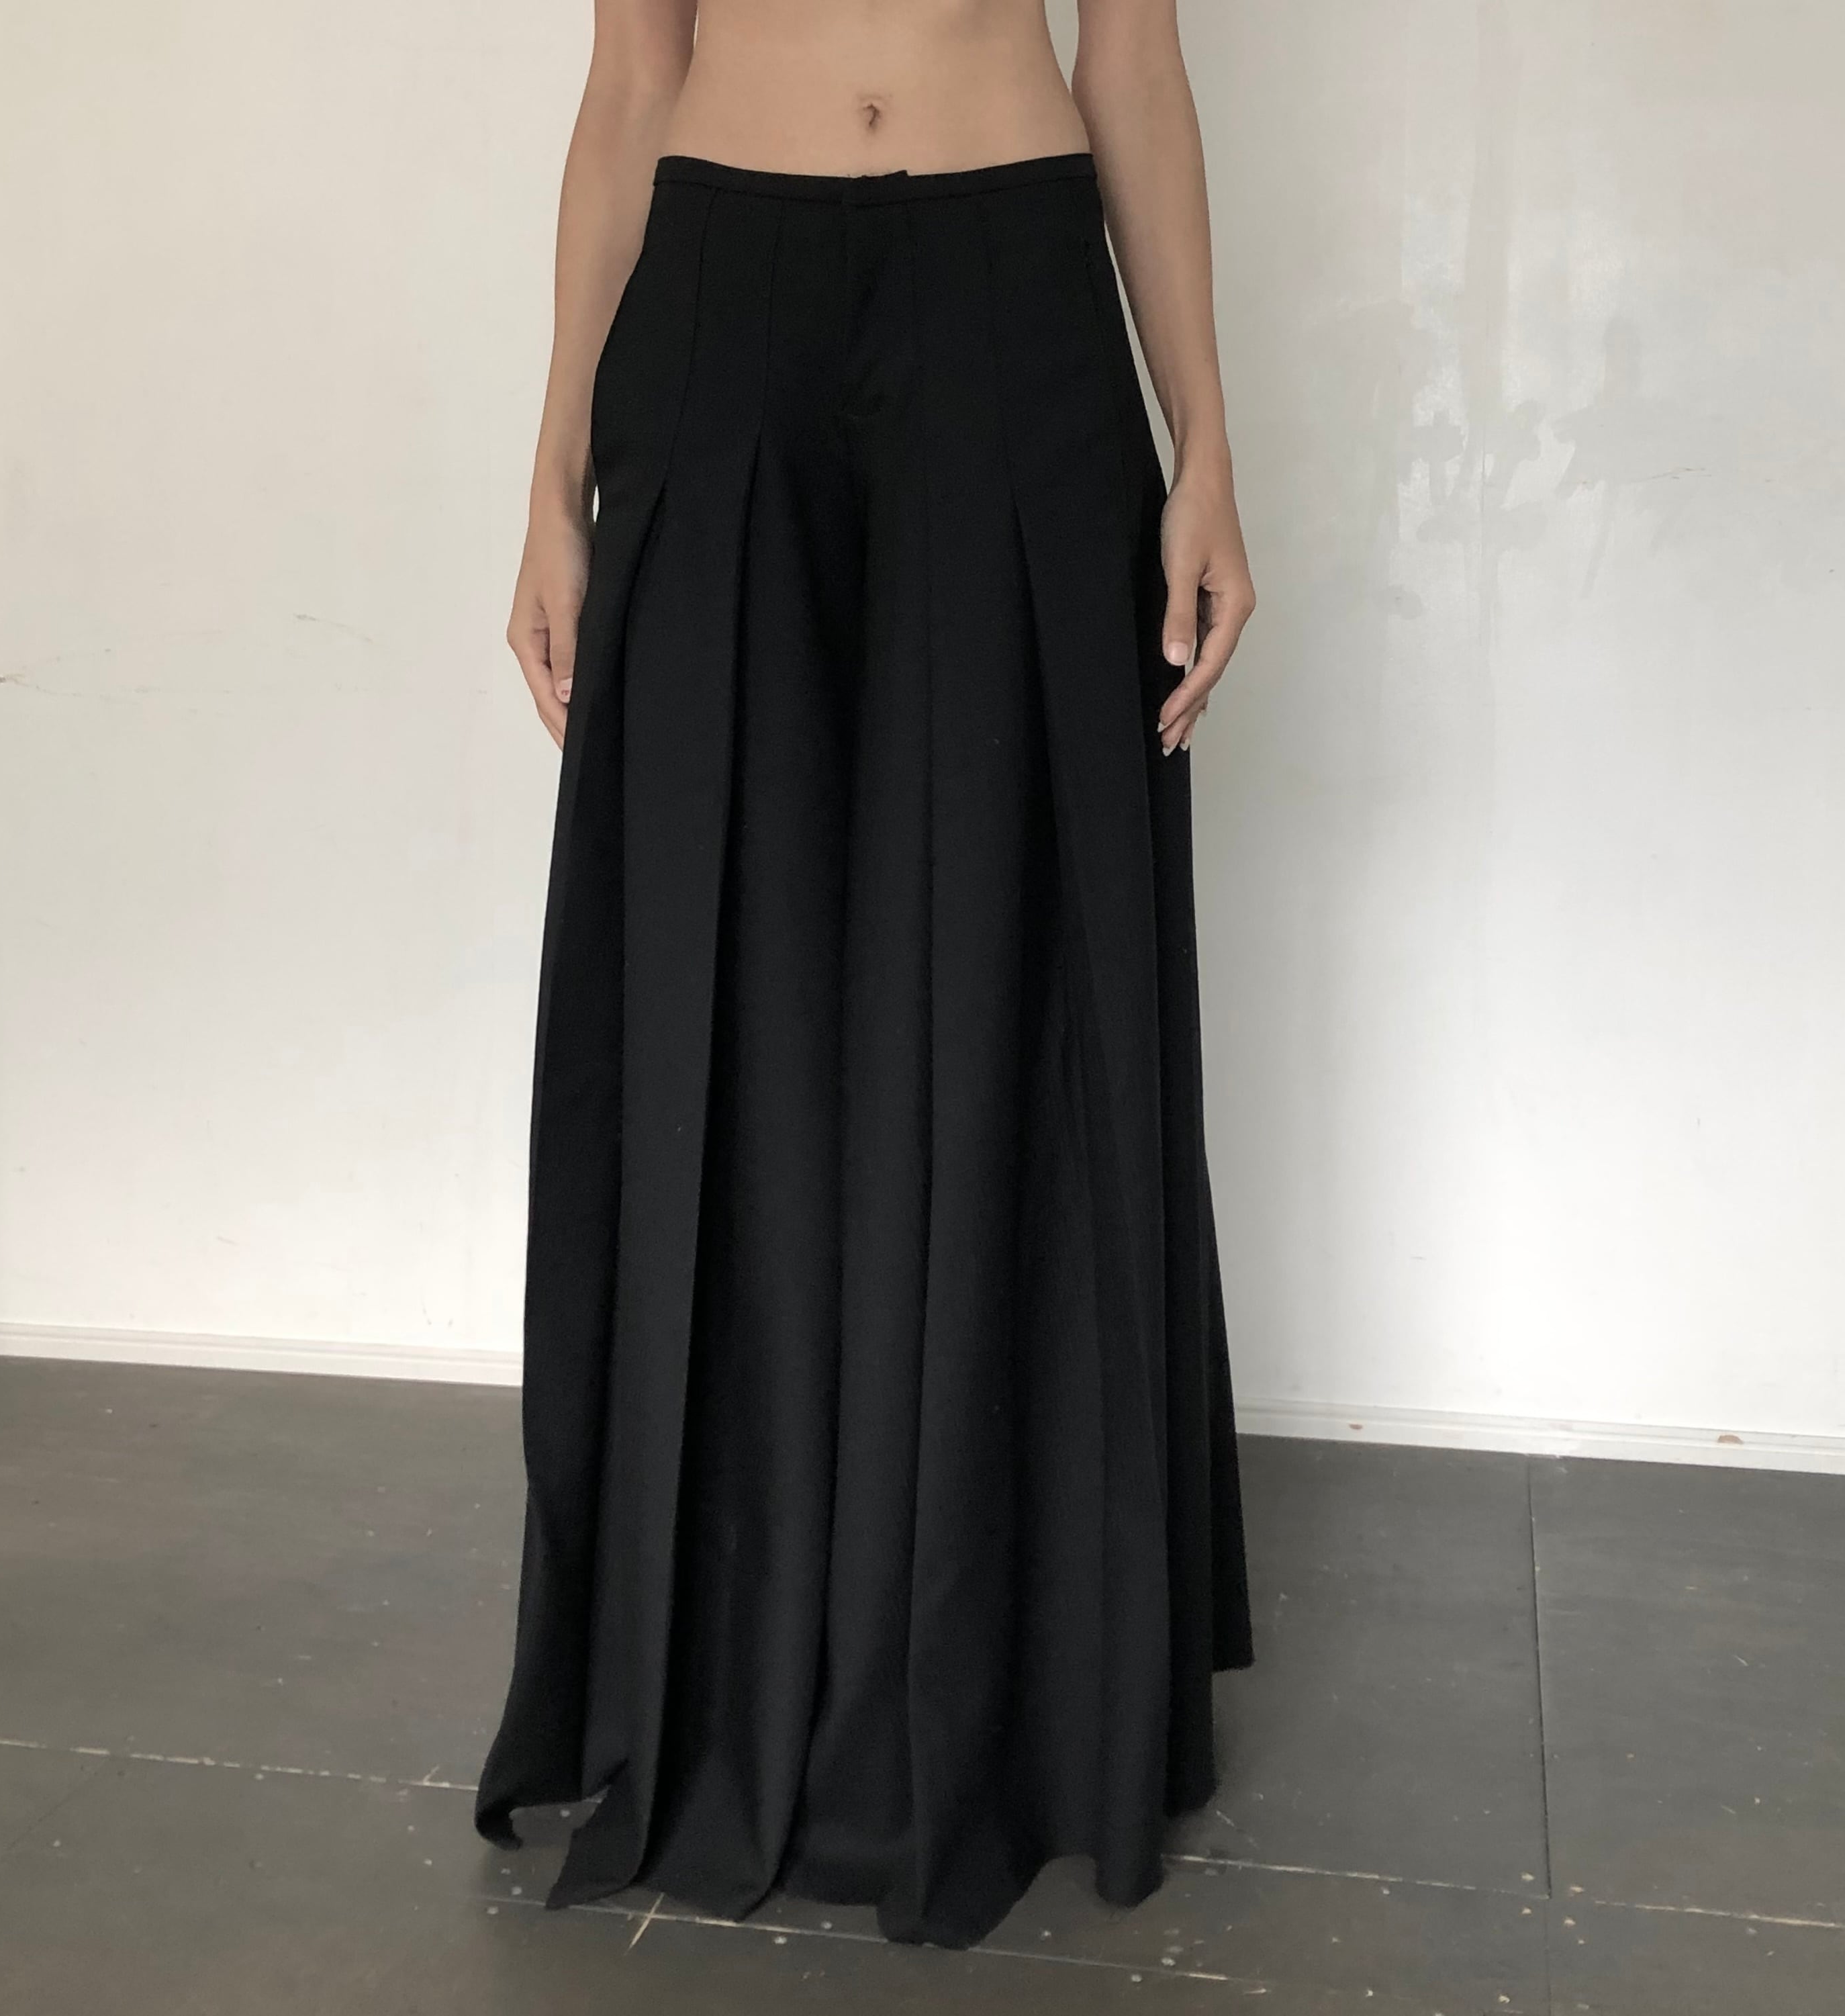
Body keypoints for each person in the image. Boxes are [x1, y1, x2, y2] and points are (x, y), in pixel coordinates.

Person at [475, 0, 1258, 1951]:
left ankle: (999, 1653)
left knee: (1015, 974)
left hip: (1012, 285)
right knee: (722, 985)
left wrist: (1206, 443)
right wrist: (551, 471)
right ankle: (721, 1647)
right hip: (722, 302)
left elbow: (1132, 61)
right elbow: (630, 78)